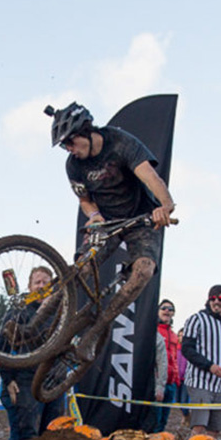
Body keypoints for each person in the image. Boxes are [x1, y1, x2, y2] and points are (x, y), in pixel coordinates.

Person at [45, 102, 176, 352]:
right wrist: (93, 214)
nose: (69, 150)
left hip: (141, 219)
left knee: (144, 271)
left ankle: (96, 331)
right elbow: (84, 200)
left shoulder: (120, 142)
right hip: (107, 221)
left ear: (85, 132)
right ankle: (35, 322)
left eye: (70, 143)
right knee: (80, 269)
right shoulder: (73, 165)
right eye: (64, 146)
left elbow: (150, 176)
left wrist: (166, 206)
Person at [0, 266, 56, 440]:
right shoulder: (19, 311)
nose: (41, 286)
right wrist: (8, 380)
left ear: (52, 286)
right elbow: (1, 348)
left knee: (53, 434)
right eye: (37, 282)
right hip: (27, 380)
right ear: (29, 286)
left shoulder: (61, 311)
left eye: (45, 282)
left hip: (54, 380)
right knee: (26, 437)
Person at [180, 285, 221, 436]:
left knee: (215, 428)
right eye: (213, 298)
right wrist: (209, 366)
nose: (216, 301)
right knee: (199, 426)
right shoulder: (196, 319)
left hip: (219, 384)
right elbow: (187, 349)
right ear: (208, 300)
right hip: (199, 380)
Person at [150, 299, 181, 434]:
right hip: (157, 382)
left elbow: (174, 358)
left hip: (171, 383)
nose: (167, 311)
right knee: (154, 419)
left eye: (170, 309)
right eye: (164, 308)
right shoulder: (152, 332)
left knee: (164, 420)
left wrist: (177, 379)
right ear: (157, 311)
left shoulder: (174, 335)